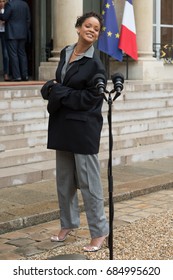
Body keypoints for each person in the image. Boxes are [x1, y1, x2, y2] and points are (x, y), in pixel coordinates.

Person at [41, 11, 109, 252]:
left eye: (96, 28)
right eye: (88, 26)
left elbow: (92, 99)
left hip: (84, 128)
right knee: (64, 182)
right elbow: (61, 83)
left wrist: (59, 93)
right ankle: (68, 224)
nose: (92, 30)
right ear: (79, 27)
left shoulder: (96, 63)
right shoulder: (66, 52)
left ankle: (99, 231)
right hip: (62, 126)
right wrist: (53, 88)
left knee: (90, 184)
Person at [0, 0, 30, 81]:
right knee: (22, 54)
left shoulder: (10, 4)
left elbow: (4, 17)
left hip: (12, 33)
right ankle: (25, 75)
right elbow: (28, 19)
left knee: (13, 55)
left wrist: (1, 12)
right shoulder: (25, 4)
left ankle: (17, 76)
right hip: (23, 33)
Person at [0, 0, 10, 81]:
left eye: (3, 1)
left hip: (5, 33)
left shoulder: (9, 9)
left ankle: (6, 73)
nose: (1, 3)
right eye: (0, 1)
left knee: (6, 54)